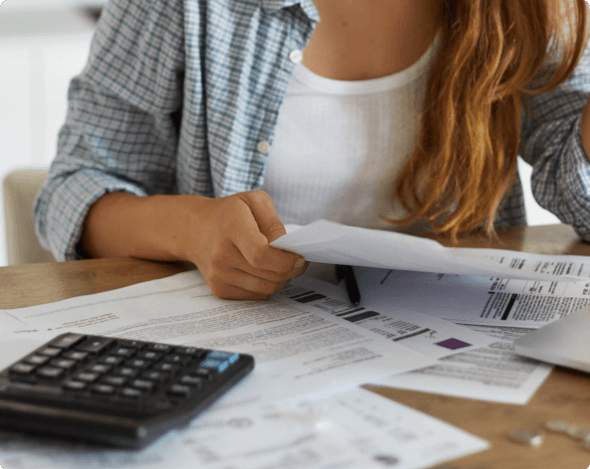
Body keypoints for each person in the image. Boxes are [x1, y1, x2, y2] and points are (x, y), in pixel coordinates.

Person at [35, 0, 590, 300]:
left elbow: (579, 197)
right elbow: (74, 187)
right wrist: (194, 230)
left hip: (454, 350)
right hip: (244, 345)